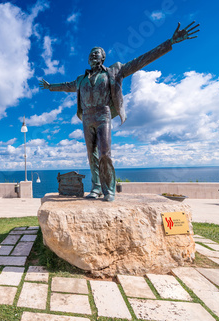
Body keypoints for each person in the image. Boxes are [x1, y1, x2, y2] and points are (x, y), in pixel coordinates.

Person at [40, 22, 199, 201]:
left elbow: (142, 60)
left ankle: (109, 190)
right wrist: (50, 87)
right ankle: (96, 188)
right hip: (86, 117)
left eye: (96, 53)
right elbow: (66, 86)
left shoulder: (114, 71)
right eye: (90, 54)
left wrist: (169, 42)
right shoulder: (81, 79)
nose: (92, 55)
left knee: (105, 154)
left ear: (102, 58)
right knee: (91, 155)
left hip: (103, 114)